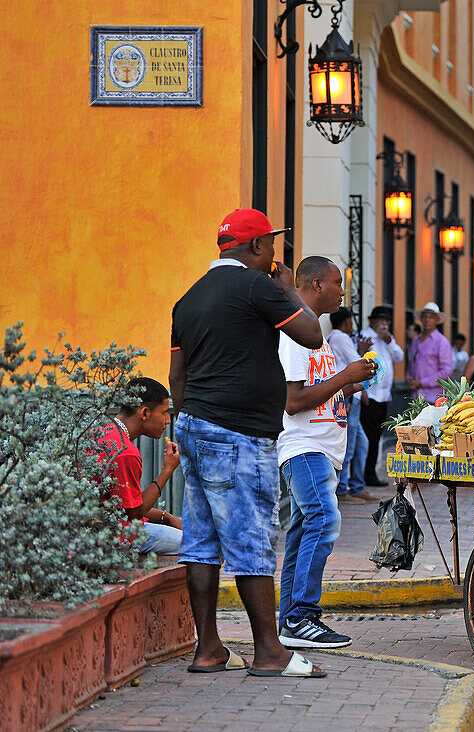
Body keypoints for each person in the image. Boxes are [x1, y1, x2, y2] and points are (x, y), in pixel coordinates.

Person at [170, 208, 328, 678]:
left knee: (201, 543)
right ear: (256, 247)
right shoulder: (259, 286)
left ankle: (209, 649)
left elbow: (177, 378)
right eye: (272, 246)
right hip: (239, 434)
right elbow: (312, 335)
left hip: (195, 427)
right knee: (253, 539)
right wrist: (286, 290)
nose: (276, 255)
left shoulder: (188, 297)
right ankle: (270, 652)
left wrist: (195, 418)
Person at [277, 257, 376, 650]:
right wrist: (345, 376)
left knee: (303, 532)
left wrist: (353, 382)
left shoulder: (315, 331)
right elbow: (292, 400)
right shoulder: (295, 333)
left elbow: (322, 391)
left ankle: (290, 621)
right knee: (323, 519)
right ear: (315, 285)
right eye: (337, 283)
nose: (342, 291)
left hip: (323, 449)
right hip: (304, 448)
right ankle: (303, 616)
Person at [96, 377, 183, 555]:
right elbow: (133, 517)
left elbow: (127, 507)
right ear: (144, 413)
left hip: (100, 530)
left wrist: (168, 518)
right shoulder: (125, 452)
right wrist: (167, 471)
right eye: (165, 412)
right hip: (118, 536)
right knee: (204, 548)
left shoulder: (101, 431)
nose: (168, 421)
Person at [327, 307, 370, 504]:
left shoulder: (335, 337)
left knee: (361, 442)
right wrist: (362, 353)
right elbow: (357, 364)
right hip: (347, 395)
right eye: (350, 321)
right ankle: (342, 489)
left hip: (349, 394)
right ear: (346, 322)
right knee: (349, 443)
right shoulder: (340, 337)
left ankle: (357, 485)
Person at [359, 306, 404, 487]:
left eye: (387, 321)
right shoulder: (365, 336)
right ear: (372, 321)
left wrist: (390, 341)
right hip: (370, 395)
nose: (384, 324)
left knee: (376, 436)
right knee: (368, 437)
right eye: (381, 321)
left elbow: (399, 357)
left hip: (384, 395)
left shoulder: (387, 339)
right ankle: (366, 474)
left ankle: (370, 473)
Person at [406, 302, 453, 402]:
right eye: (425, 317)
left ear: (437, 320)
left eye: (431, 317)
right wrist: (409, 378)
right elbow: (412, 363)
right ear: (421, 319)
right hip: (414, 397)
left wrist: (421, 382)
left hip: (433, 398)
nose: (427, 320)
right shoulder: (416, 340)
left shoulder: (442, 342)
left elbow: (446, 371)